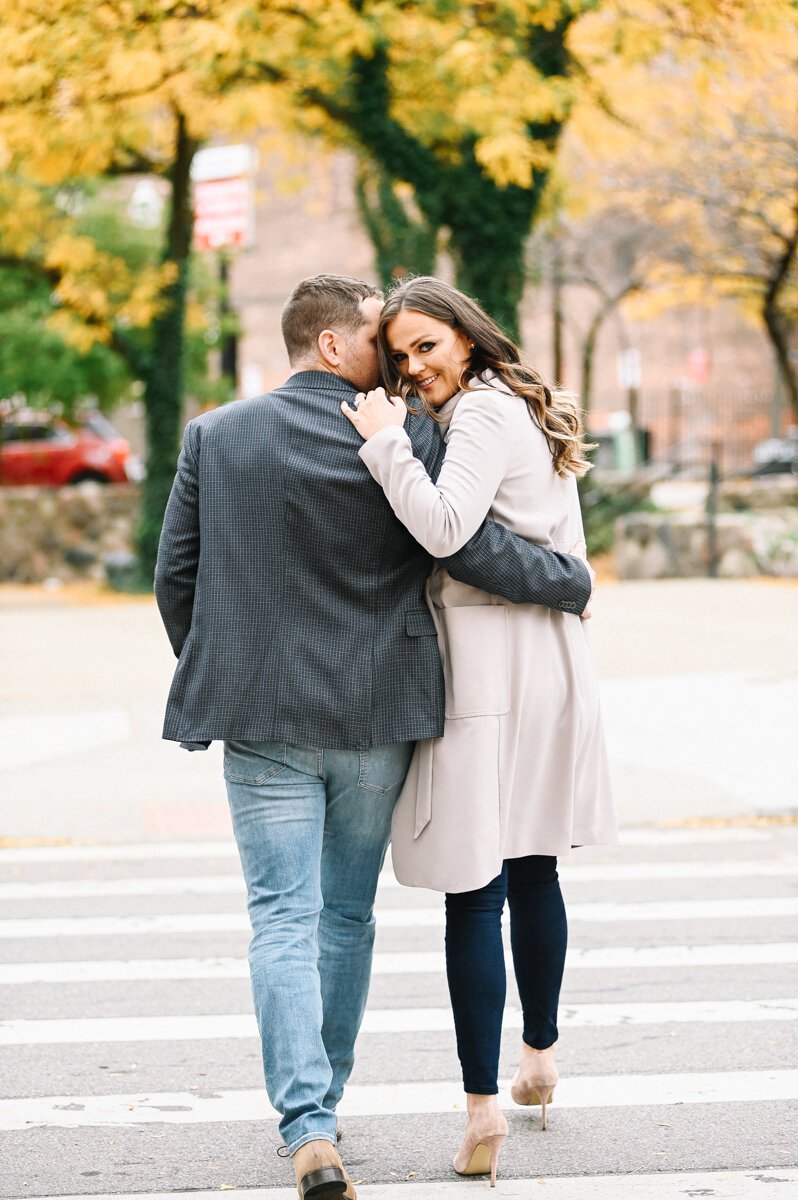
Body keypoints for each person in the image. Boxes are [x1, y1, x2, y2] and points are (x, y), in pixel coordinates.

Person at [155, 274, 595, 1200]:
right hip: (374, 717)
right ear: (330, 346)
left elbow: (176, 578)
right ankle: (335, 1098)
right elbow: (458, 546)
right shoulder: (405, 434)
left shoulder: (216, 436)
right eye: (380, 344)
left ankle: (310, 1125)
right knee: (345, 917)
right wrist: (569, 580)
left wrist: (221, 666)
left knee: (280, 918)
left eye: (412, 350)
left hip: (263, 718)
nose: (396, 365)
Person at [343, 275, 617, 1187]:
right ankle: (537, 1055)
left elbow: (448, 527)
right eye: (401, 353)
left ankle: (478, 1109)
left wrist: (386, 447)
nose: (414, 364)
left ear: (465, 335)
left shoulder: (484, 415)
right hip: (541, 654)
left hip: (488, 658)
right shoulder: (513, 406)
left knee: (476, 879)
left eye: (428, 344)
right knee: (532, 860)